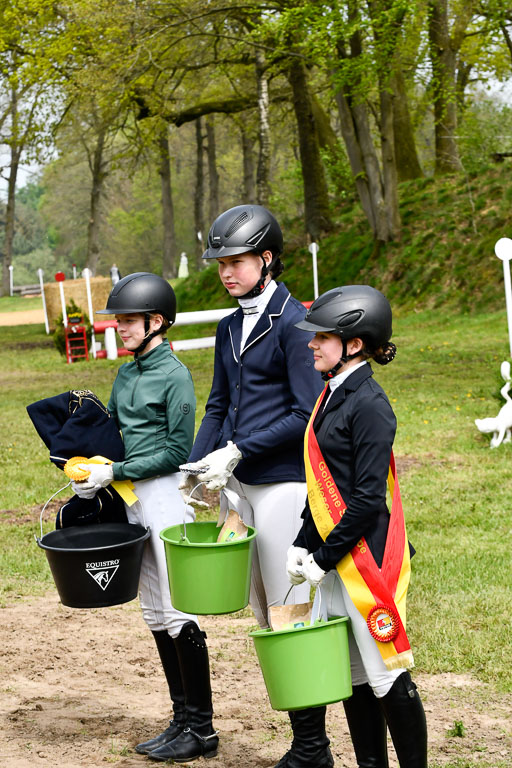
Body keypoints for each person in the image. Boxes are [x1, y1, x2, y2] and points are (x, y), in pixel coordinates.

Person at [179, 204, 327, 767]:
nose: (225, 272)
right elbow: (219, 404)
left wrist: (239, 449)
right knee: (264, 612)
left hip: (283, 483)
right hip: (239, 486)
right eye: (220, 263)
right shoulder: (228, 327)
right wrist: (195, 468)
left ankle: (312, 747)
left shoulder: (295, 322)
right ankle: (305, 743)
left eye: (235, 262)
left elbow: (305, 411)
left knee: (289, 612)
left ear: (266, 258)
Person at [71, 272, 218, 764]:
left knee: (177, 609)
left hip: (164, 497)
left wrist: (115, 470)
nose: (120, 327)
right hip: (131, 496)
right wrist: (90, 469)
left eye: (128, 320)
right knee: (154, 609)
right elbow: (113, 433)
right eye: (119, 320)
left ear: (156, 321)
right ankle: (181, 718)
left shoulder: (175, 375)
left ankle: (202, 728)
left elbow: (177, 450)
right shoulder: (126, 373)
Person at [287, 284, 428, 768]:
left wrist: (323, 559)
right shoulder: (331, 393)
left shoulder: (369, 404)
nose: (311, 344)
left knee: (387, 674)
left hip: (367, 559)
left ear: (354, 343)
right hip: (336, 557)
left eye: (322, 337)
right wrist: (302, 541)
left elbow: (367, 500)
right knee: (354, 675)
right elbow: (323, 483)